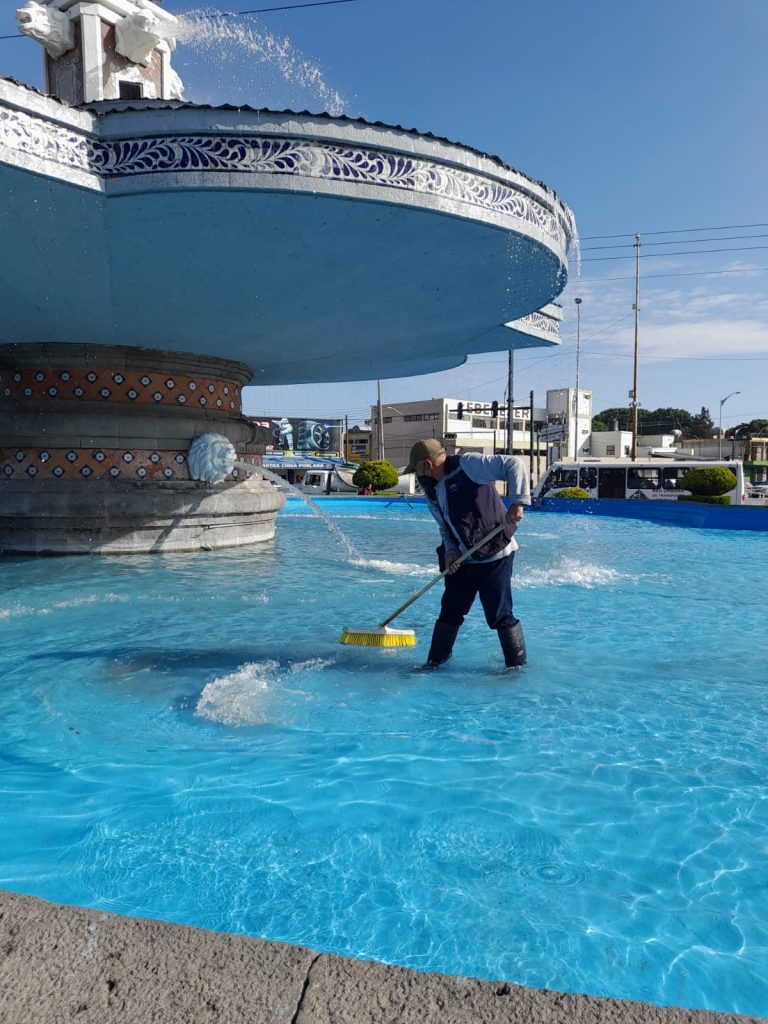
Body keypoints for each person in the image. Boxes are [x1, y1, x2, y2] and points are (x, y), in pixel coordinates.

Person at [405, 438, 530, 669]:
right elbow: (444, 527)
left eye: (416, 470)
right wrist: (450, 552)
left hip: (496, 554)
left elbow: (514, 463)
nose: (417, 476)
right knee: (450, 611)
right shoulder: (432, 492)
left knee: (499, 615)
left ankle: (516, 669)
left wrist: (518, 501)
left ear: (427, 465)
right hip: (464, 559)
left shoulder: (468, 464)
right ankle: (435, 663)